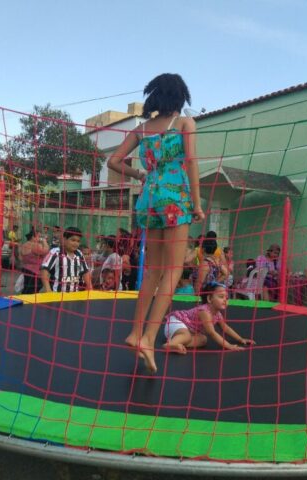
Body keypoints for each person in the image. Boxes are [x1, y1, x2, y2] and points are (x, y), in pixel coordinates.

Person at [107, 73, 204, 373]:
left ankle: (135, 332)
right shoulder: (184, 123)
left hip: (149, 199)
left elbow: (113, 161)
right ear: (180, 96)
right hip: (174, 198)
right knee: (173, 271)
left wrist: (139, 174)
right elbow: (191, 162)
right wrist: (197, 204)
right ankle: (149, 337)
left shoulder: (142, 129)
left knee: (153, 271)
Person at [162, 282, 255, 354]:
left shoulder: (217, 314)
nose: (225, 300)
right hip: (175, 322)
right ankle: (170, 345)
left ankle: (178, 343)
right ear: (209, 299)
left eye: (227, 298)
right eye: (221, 297)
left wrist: (240, 339)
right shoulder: (204, 312)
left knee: (203, 340)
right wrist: (229, 346)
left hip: (186, 330)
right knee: (186, 335)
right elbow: (212, 333)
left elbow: (225, 328)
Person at [40, 226, 93, 293]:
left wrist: (90, 288)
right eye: (73, 240)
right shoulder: (55, 252)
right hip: (57, 295)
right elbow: (44, 270)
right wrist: (48, 289)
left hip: (74, 295)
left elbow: (85, 272)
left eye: (78, 241)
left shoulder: (79, 254)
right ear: (64, 239)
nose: (76, 243)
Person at [19, 229, 49, 294]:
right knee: (33, 290)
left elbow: (20, 257)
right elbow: (46, 251)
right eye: (39, 236)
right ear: (33, 237)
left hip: (26, 269)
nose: (40, 239)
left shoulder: (25, 244)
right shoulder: (34, 245)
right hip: (34, 271)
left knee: (27, 289)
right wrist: (45, 242)